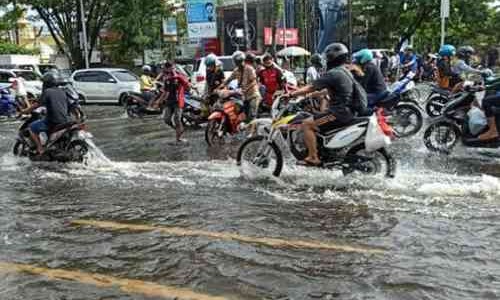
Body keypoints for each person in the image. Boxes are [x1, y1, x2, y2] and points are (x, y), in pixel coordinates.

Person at [286, 43, 355, 166]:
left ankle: (313, 157)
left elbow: (311, 86)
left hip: (338, 113)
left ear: (331, 58)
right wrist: (311, 95)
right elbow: (327, 90)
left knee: (307, 124)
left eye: (327, 57)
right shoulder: (344, 71)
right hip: (346, 111)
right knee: (317, 118)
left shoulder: (333, 73)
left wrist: (292, 94)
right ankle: (323, 151)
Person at [28, 72, 72, 155]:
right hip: (66, 120)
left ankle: (40, 148)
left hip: (53, 121)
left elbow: (37, 105)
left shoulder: (47, 91)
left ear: (46, 83)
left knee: (32, 128)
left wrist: (25, 111)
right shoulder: (62, 91)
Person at [221, 51, 261, 120]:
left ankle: (254, 130)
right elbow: (228, 80)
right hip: (244, 96)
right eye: (237, 62)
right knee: (243, 116)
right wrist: (220, 86)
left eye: (239, 61)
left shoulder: (249, 69)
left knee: (251, 116)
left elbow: (254, 81)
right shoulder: (236, 70)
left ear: (243, 60)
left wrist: (246, 88)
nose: (238, 63)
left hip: (253, 95)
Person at [159, 61, 192, 143]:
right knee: (166, 119)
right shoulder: (166, 78)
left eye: (172, 68)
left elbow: (187, 86)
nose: (170, 70)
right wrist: (159, 101)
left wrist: (186, 89)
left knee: (177, 118)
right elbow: (165, 91)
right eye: (168, 68)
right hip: (169, 102)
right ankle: (178, 129)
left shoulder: (179, 77)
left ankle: (179, 138)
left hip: (178, 101)